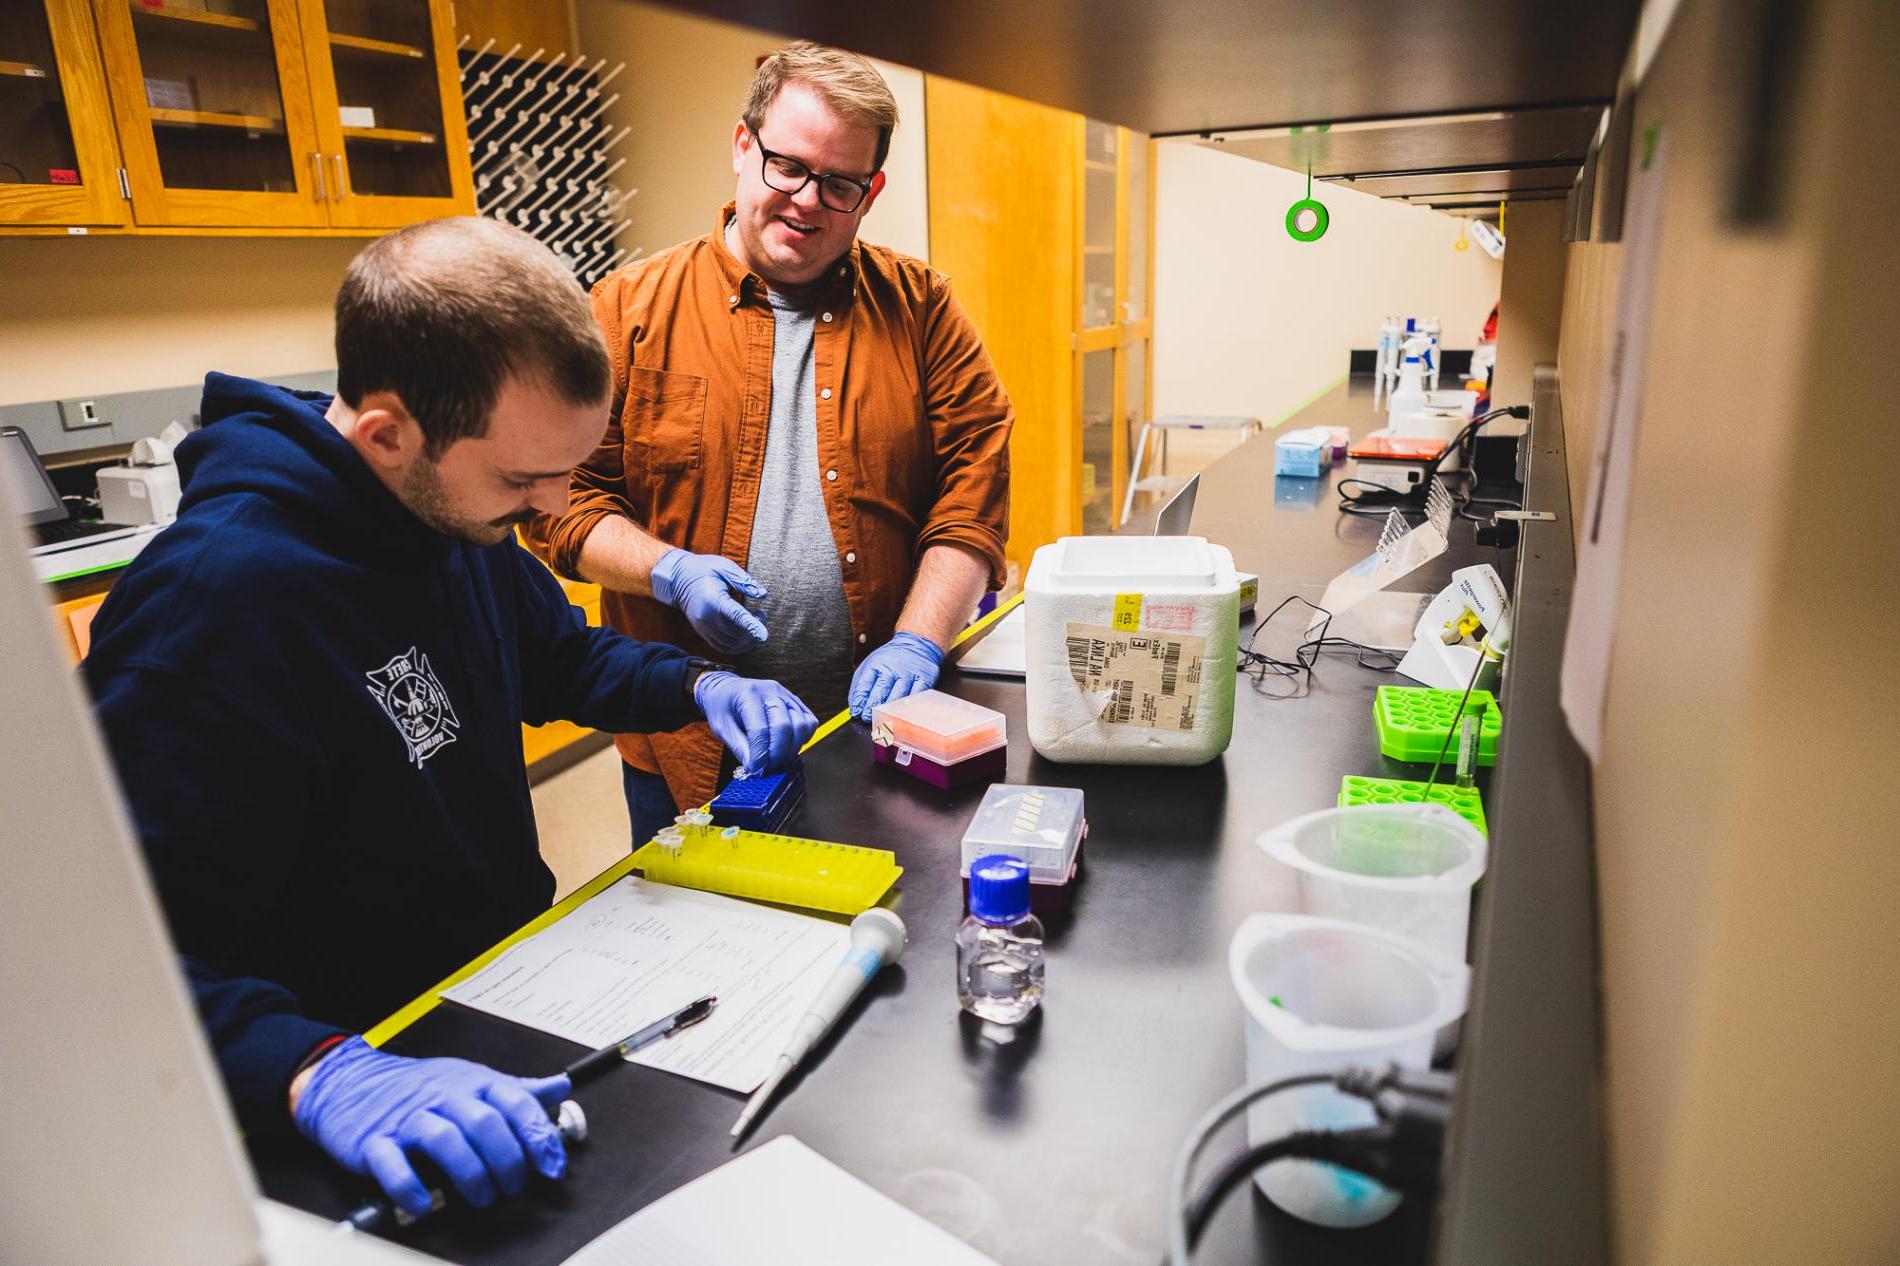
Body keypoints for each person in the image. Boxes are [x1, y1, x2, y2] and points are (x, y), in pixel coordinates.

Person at [82, 217, 815, 1221]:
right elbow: (111, 964)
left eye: (566, 470)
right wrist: (321, 1071)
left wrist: (691, 687)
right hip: (360, 1107)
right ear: (388, 435)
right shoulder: (213, 604)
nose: (554, 506)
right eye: (524, 481)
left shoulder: (442, 513)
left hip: (502, 1013)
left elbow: (555, 655)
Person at [529, 42, 1014, 845]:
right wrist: (668, 572)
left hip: (881, 735)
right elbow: (561, 502)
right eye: (787, 167)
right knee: (702, 959)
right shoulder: (627, 310)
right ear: (743, 145)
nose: (806, 202)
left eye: (839, 184)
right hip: (687, 741)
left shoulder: (921, 305)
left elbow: (974, 490)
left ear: (871, 191)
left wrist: (920, 639)